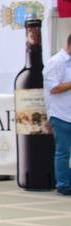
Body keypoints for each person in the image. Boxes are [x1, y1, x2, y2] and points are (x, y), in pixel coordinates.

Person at [46, 32, 71, 196]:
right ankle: (63, 185)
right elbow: (53, 87)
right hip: (61, 114)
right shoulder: (56, 62)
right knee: (63, 151)